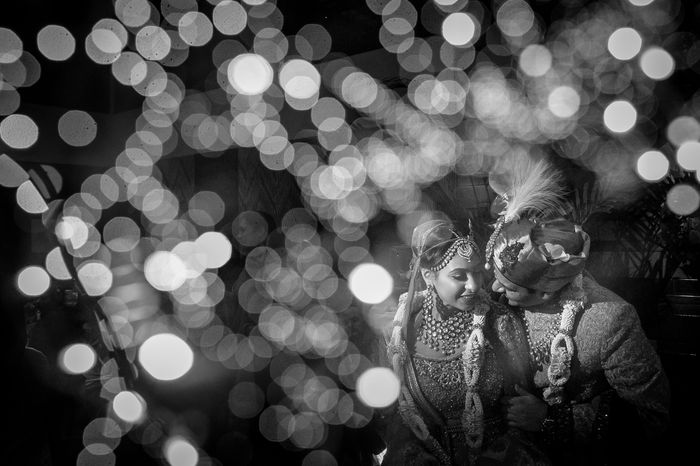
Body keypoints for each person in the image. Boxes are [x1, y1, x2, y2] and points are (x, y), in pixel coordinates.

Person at [485, 161, 670, 465]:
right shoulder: (500, 304)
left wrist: (553, 419)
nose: (495, 287)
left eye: (510, 285)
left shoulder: (609, 318)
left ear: (546, 291)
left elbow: (652, 416)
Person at [376, 219, 548, 465]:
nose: (474, 285)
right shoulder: (397, 332)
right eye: (459, 276)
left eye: (478, 272)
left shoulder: (500, 323)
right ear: (428, 276)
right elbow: (396, 414)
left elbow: (521, 412)